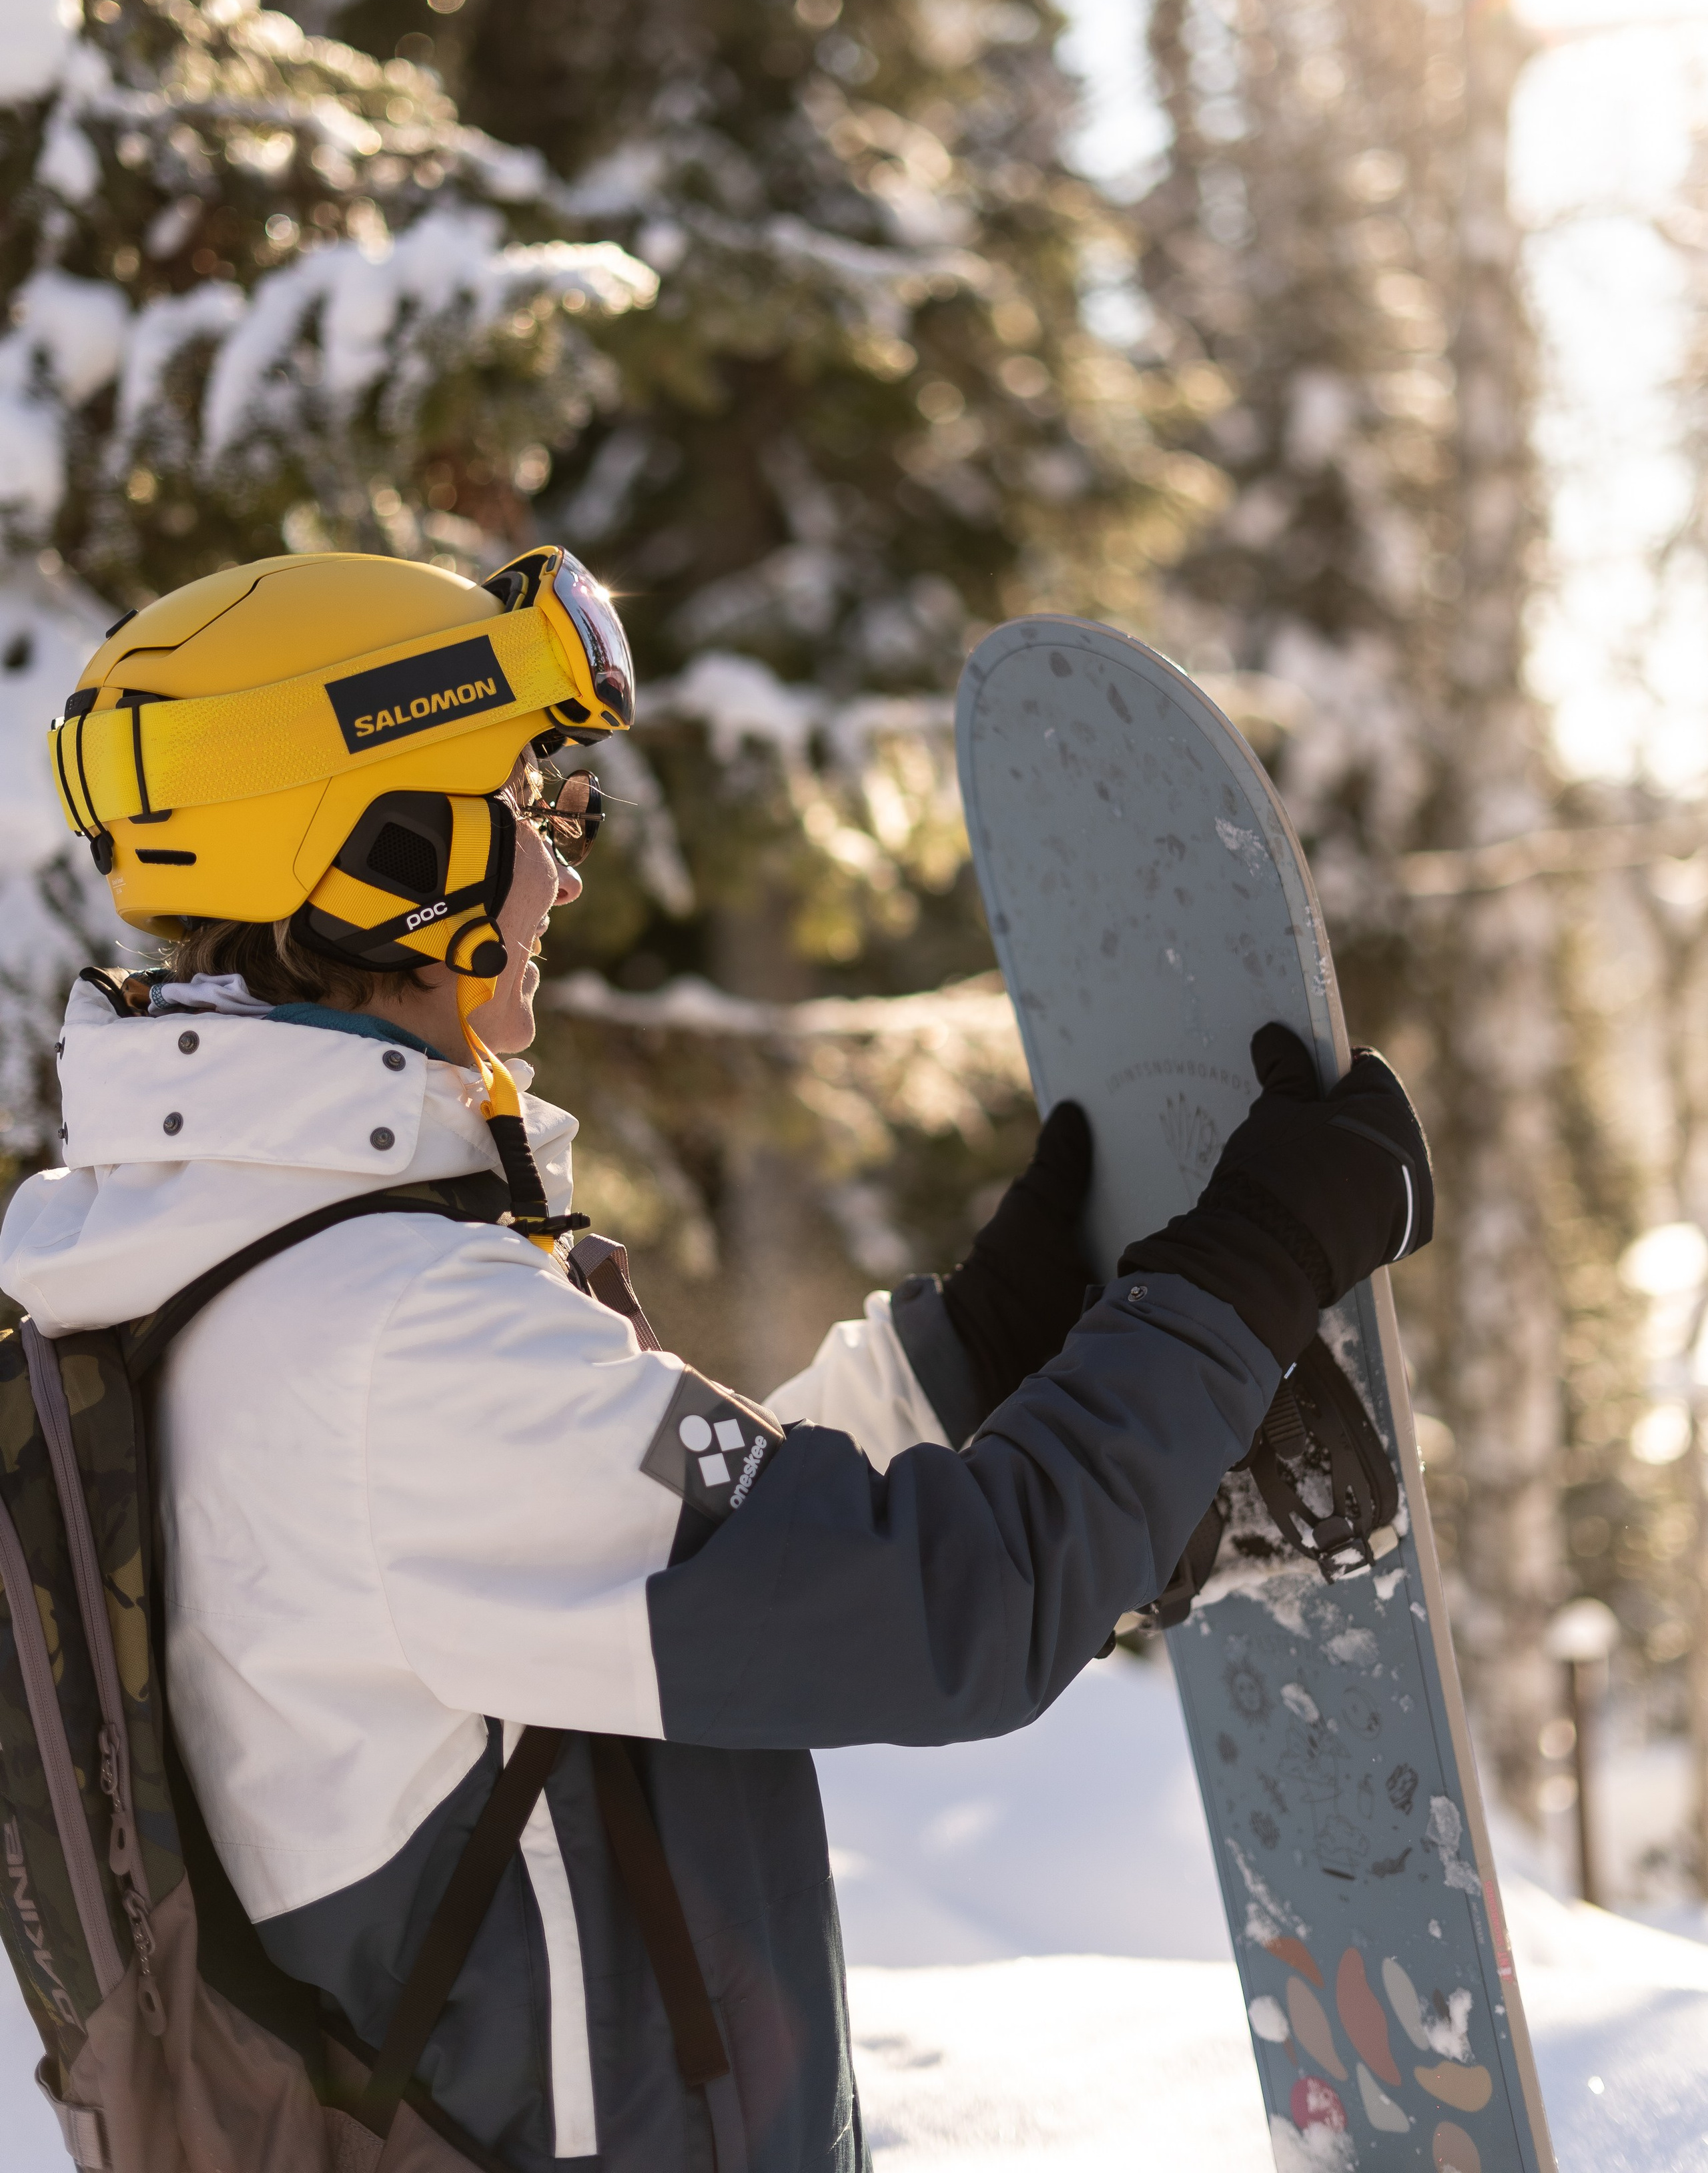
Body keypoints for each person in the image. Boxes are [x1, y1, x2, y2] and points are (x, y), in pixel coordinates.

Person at [0, 546, 1432, 2173]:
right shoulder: (386, 1343)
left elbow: (663, 1583)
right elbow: (952, 1616)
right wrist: (1253, 1261)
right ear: (392, 851)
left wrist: (968, 1350)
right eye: (521, 811)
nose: (557, 877)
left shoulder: (226, 1279)